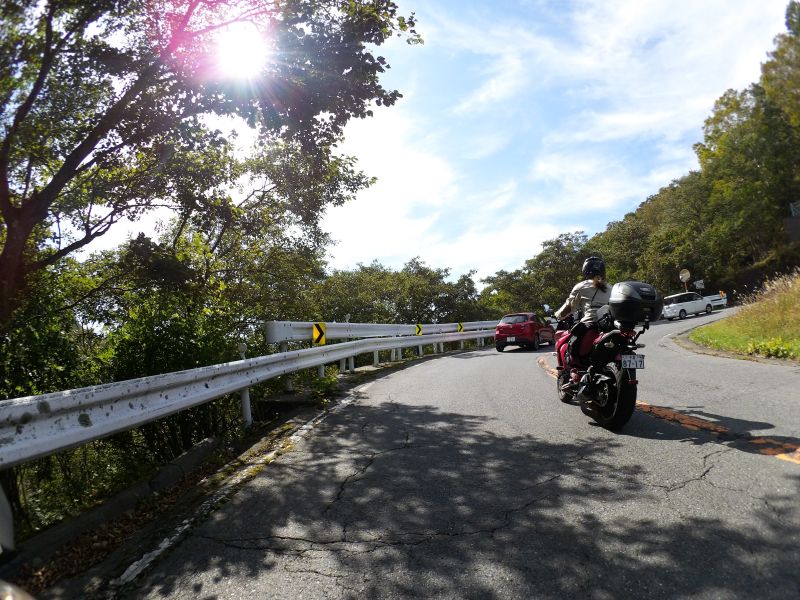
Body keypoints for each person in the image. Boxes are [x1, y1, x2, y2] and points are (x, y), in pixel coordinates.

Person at [554, 256, 612, 391]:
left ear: (585, 271)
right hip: (610, 326)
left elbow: (569, 306)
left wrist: (558, 315)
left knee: (572, 347)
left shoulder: (582, 286)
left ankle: (576, 375)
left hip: (591, 324)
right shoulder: (611, 287)